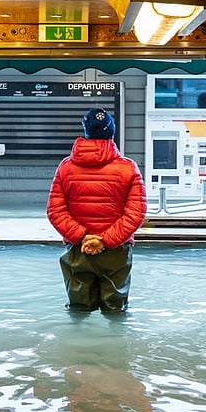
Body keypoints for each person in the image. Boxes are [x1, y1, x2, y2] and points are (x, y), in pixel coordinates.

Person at [46, 108, 146, 313]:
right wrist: (105, 240)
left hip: (77, 250)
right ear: (112, 133)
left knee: (78, 310)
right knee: (116, 310)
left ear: (86, 132)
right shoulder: (128, 168)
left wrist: (82, 237)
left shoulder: (65, 167)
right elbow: (136, 213)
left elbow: (55, 210)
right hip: (116, 250)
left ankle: (77, 345)